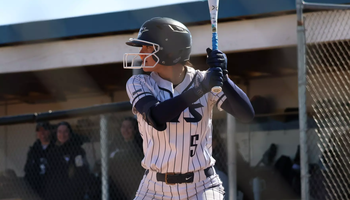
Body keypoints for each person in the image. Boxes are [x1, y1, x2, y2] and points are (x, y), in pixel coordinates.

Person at [124, 17, 255, 200]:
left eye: (147, 47)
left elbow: (246, 115)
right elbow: (157, 116)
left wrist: (224, 78)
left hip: (201, 185)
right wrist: (201, 89)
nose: (140, 54)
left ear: (169, 51)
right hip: (154, 186)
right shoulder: (139, 82)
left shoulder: (202, 79)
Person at [45, 121, 90, 200]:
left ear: (70, 133)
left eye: (65, 132)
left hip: (76, 193)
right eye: (59, 132)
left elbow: (82, 170)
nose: (62, 135)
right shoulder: (52, 152)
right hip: (56, 194)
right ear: (56, 134)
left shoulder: (78, 151)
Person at [108, 116, 144, 200]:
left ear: (135, 130)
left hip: (133, 183)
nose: (126, 130)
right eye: (123, 127)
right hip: (117, 184)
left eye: (129, 127)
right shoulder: (115, 144)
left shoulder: (140, 145)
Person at [24, 121, 54, 199]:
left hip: (52, 190)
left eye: (45, 130)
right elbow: (28, 170)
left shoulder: (56, 148)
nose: (42, 133)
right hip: (37, 190)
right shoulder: (34, 150)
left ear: (50, 131)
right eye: (39, 130)